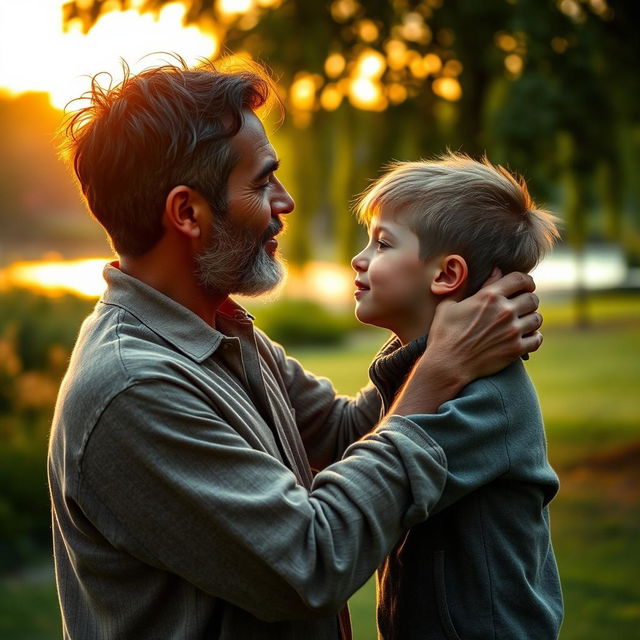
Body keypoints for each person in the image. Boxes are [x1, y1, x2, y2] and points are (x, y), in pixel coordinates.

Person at [48, 58, 544, 640]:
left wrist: (440, 337)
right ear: (188, 213)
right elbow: (308, 563)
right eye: (261, 183)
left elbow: (349, 437)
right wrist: (438, 373)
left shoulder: (222, 334)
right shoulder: (134, 388)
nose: (285, 202)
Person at [351, 152, 564, 639]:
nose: (359, 258)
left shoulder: (483, 400)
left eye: (383, 243)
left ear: (446, 275)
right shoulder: (425, 372)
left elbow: (378, 493)